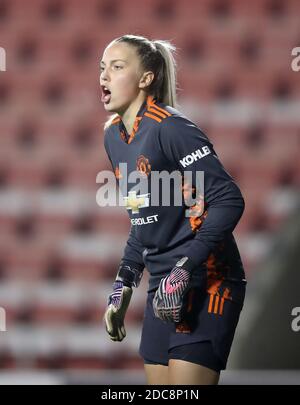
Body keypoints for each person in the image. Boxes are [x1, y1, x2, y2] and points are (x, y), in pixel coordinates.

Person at [101, 34, 246, 385]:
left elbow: (228, 199)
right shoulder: (113, 137)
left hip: (206, 279)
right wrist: (124, 284)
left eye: (117, 67)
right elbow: (143, 220)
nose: (104, 77)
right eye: (102, 68)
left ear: (146, 78)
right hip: (161, 286)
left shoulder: (171, 128)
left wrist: (183, 270)